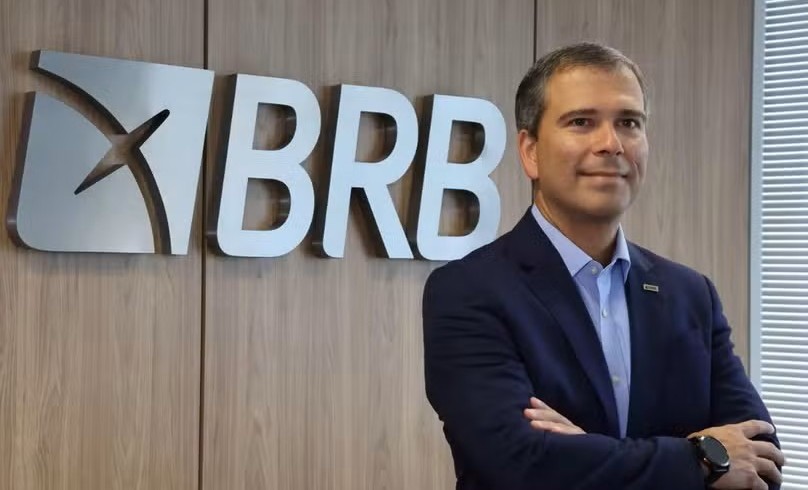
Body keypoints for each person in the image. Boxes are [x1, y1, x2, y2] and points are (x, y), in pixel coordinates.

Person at [422, 42, 784, 490]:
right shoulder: (467, 290)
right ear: (530, 151)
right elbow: (520, 463)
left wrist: (586, 453)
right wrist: (700, 459)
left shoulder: (691, 295)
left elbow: (762, 460)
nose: (611, 144)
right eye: (581, 122)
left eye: (629, 122)